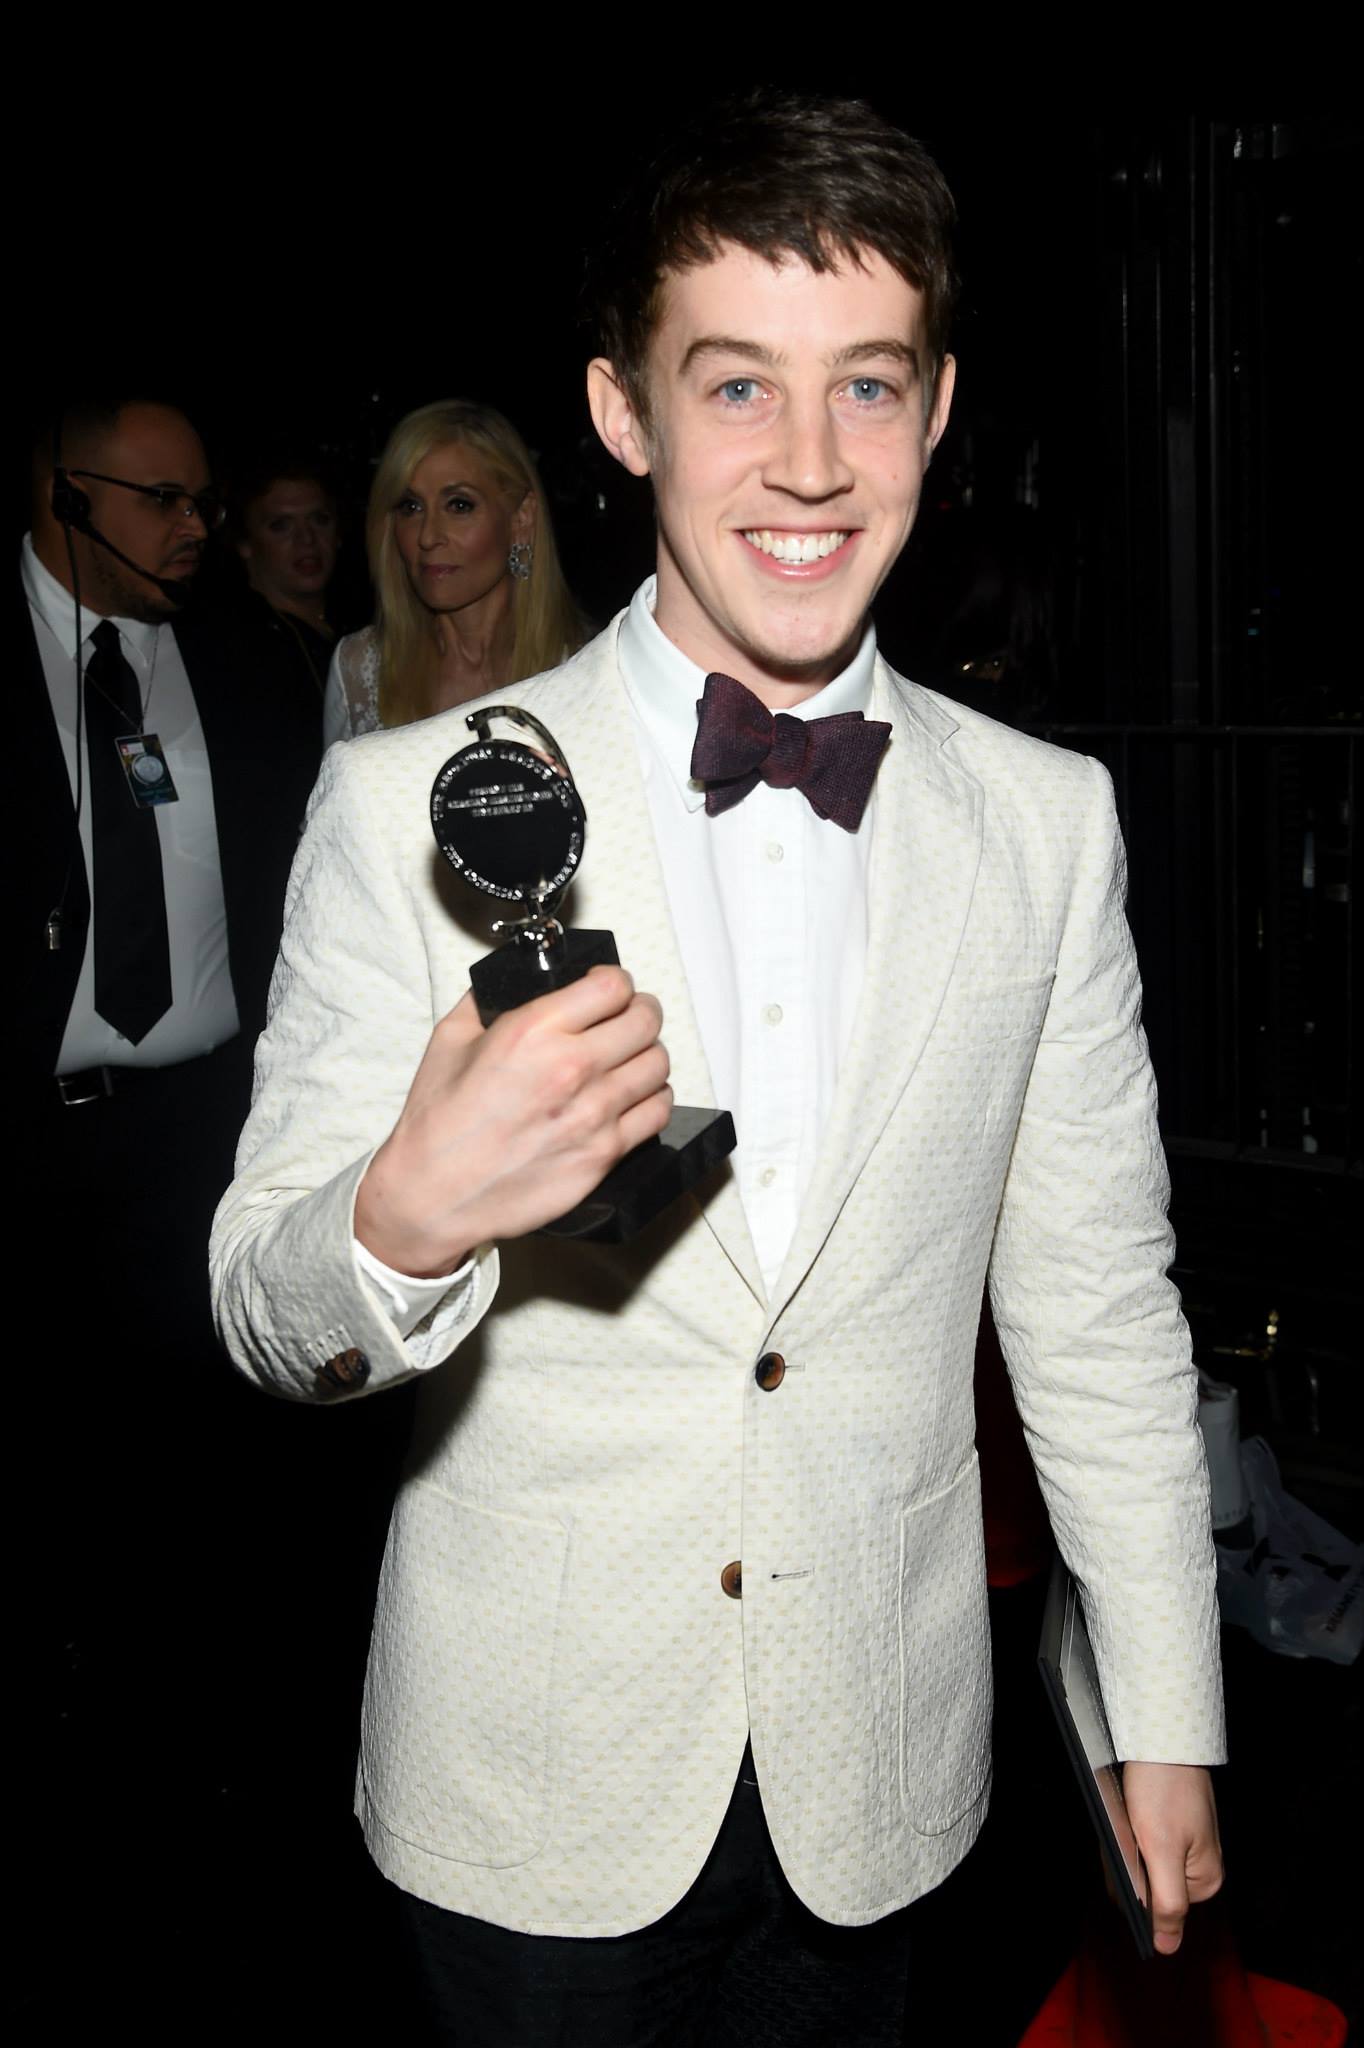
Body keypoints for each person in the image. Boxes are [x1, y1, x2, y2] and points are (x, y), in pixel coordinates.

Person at [212, 93, 1225, 2047]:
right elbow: (265, 1302)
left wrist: (1161, 1705)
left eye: (867, 385)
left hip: (882, 1769)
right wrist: (401, 1219)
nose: (809, 460)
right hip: (530, 1772)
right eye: (736, 383)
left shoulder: (1044, 826)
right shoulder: (405, 800)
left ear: (936, 411)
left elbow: (1097, 1309)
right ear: (622, 414)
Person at [16, 395, 322, 2023]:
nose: (196, 531)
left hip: (197, 1139)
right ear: (59, 495)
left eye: (208, 501)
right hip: (27, 1144)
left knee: (196, 1500)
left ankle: (195, 1831)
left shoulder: (245, 668)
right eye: (160, 502)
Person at [322, 398, 585, 746]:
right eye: (411, 506)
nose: (428, 536)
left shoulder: (584, 668)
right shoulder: (359, 671)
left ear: (521, 519)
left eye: (459, 505)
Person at [230, 458, 343, 699]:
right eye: (281, 526)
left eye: (320, 520)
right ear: (245, 543)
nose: (307, 539)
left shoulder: (367, 621)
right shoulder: (238, 649)